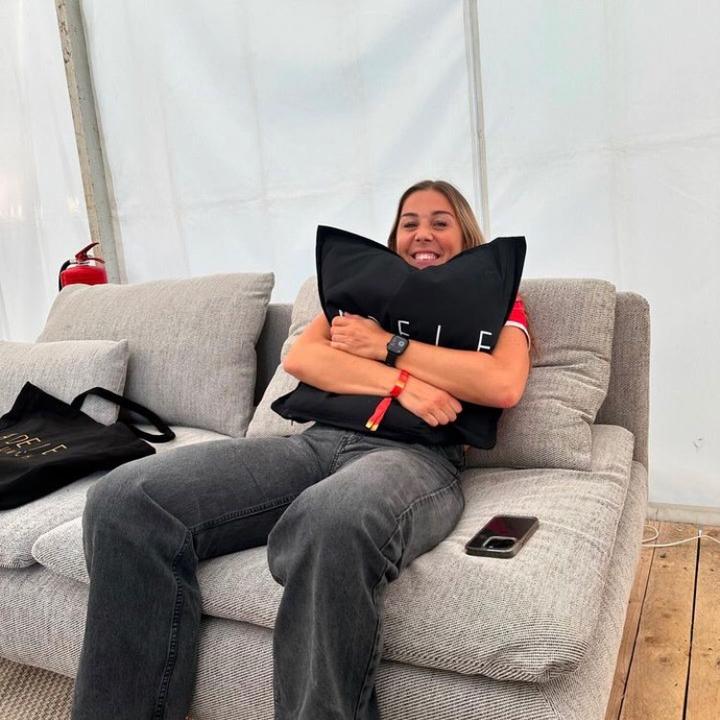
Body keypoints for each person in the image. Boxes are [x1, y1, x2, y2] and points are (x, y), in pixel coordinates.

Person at [71, 179, 531, 720]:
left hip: (414, 458)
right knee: (125, 499)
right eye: (409, 223)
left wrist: (386, 345)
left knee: (331, 518)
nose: (422, 233)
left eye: (439, 222)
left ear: (466, 235)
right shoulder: (368, 291)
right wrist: (403, 384)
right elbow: (305, 360)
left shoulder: (495, 301)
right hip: (313, 444)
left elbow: (500, 383)